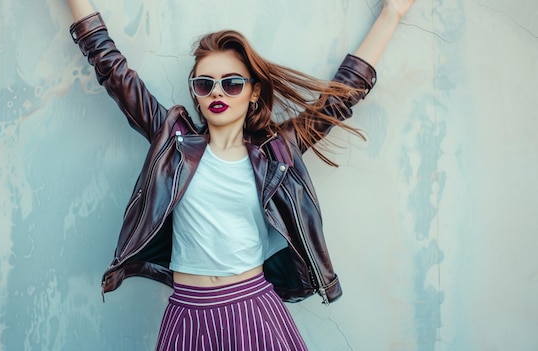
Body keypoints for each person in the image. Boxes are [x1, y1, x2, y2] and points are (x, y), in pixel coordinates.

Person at [67, 0, 416, 349]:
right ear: (196, 95)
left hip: (255, 313)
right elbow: (111, 67)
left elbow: (340, 97)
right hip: (187, 316)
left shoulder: (277, 151)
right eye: (205, 84)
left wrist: (392, 14)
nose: (217, 91)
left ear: (253, 93)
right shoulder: (173, 144)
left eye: (232, 83)